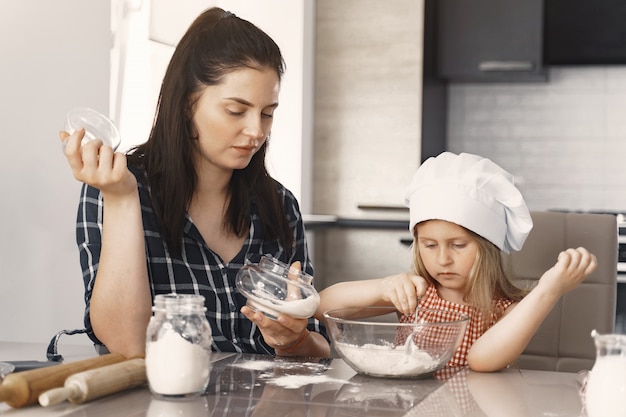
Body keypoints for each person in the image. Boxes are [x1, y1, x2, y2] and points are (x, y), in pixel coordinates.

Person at [59, 7, 329, 359]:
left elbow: (317, 349)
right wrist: (122, 198)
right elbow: (126, 347)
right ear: (187, 104)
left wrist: (291, 340)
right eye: (235, 111)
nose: (256, 131)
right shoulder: (115, 188)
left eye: (267, 113)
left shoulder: (279, 205)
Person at [316, 152, 597, 372]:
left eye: (458, 245)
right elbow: (322, 307)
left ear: (488, 248)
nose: (442, 259)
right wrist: (383, 287)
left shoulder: (505, 311)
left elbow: (481, 360)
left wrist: (546, 291)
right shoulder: (416, 296)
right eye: (429, 245)